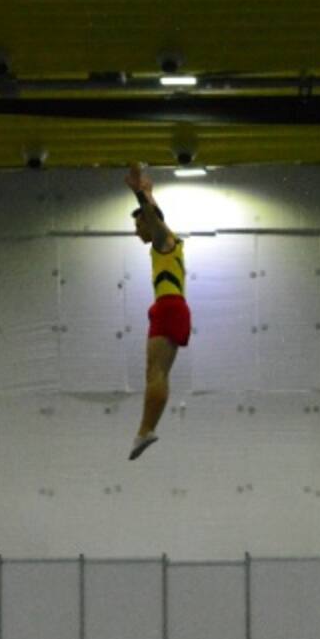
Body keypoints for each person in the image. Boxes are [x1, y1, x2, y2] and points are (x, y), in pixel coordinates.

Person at [124, 163, 190, 461]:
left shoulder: (165, 242)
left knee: (156, 373)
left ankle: (146, 430)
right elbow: (155, 215)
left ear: (150, 223)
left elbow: (155, 218)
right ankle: (144, 429)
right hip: (168, 308)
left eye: (139, 226)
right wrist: (148, 194)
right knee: (155, 372)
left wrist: (142, 194)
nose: (137, 233)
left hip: (169, 307)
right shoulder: (166, 244)